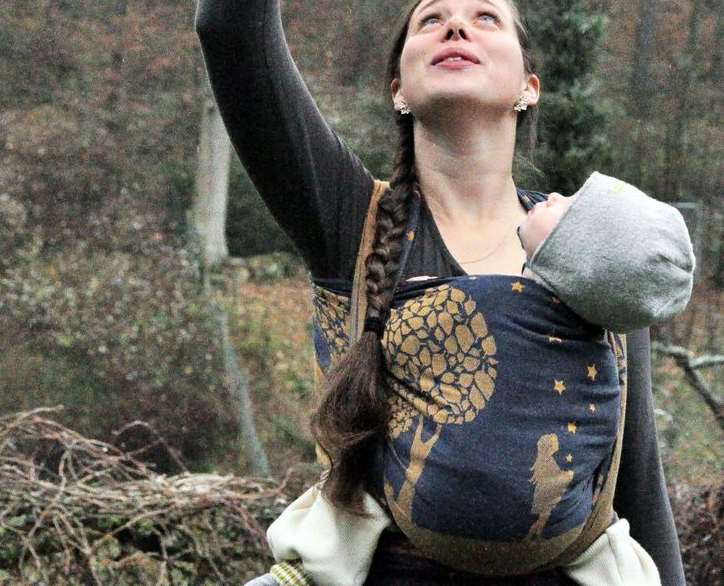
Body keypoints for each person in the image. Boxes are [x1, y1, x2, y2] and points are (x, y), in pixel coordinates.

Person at [194, 0, 687, 584]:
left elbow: (635, 489)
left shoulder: (592, 249)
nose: (457, 26)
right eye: (432, 21)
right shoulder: (347, 222)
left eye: (485, 18)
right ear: (399, 87)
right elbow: (230, 30)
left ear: (528, 84)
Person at [247, 172, 694, 586]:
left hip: (563, 541)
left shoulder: (599, 342)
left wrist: (418, 302)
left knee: (342, 524)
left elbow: (636, 481)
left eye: (572, 207)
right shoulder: (594, 335)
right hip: (502, 545)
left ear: (583, 256)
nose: (556, 194)